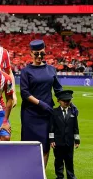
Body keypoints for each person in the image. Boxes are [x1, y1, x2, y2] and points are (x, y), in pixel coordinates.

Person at [20, 39, 63, 170]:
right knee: (29, 142)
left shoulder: (51, 70)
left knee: (45, 142)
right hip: (30, 113)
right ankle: (29, 170)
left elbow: (58, 89)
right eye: (36, 54)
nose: (39, 57)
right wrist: (40, 103)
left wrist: (66, 103)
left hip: (47, 113)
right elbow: (24, 93)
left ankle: (42, 174)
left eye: (42, 54)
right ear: (31, 53)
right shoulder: (26, 71)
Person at [49, 90, 80, 179]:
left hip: (69, 142)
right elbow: (51, 128)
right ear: (58, 101)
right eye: (64, 101)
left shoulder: (73, 112)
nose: (66, 102)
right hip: (58, 142)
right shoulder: (54, 112)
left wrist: (77, 140)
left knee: (69, 160)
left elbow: (76, 128)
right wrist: (51, 140)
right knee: (58, 161)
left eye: (68, 101)